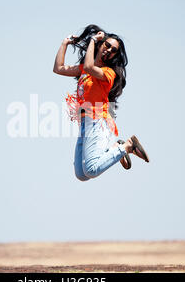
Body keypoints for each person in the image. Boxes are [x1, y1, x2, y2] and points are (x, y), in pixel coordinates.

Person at [53, 24, 149, 181]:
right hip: (85, 121)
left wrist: (92, 40)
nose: (109, 50)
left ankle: (127, 146)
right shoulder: (84, 69)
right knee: (81, 174)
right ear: (100, 44)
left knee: (91, 170)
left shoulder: (108, 73)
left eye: (114, 50)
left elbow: (91, 67)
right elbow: (58, 68)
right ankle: (114, 148)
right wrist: (65, 43)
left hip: (98, 119)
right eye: (107, 45)